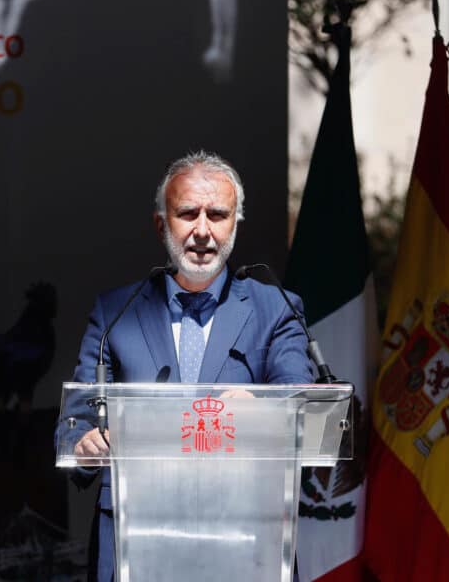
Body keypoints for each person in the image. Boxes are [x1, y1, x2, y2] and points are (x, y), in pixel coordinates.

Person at [57, 150, 313, 581]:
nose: (202, 231)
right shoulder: (117, 313)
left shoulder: (276, 309)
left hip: (245, 541)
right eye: (187, 213)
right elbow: (76, 419)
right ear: (161, 224)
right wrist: (84, 442)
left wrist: (262, 408)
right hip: (137, 542)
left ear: (235, 224)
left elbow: (299, 401)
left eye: (217, 214)